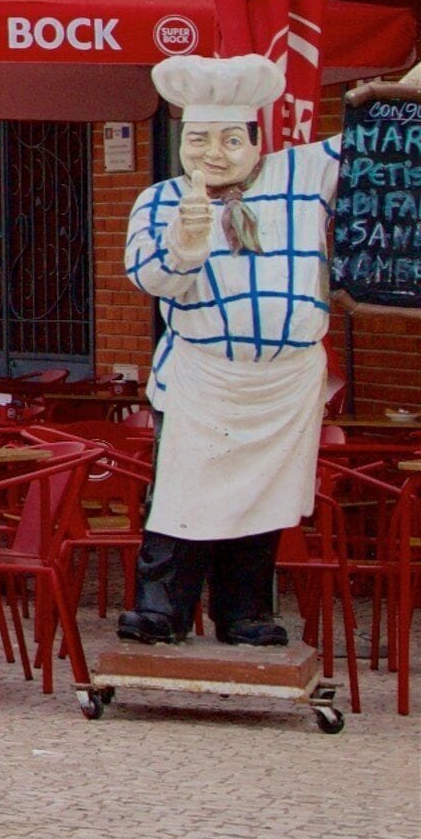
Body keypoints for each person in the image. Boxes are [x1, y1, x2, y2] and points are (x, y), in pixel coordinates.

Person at [120, 53, 345, 648]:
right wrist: (186, 244)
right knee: (181, 494)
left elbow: (376, 142)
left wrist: (400, 89)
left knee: (263, 499)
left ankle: (245, 612)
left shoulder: (301, 174)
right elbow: (148, 276)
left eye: (227, 139)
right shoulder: (161, 200)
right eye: (197, 140)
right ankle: (161, 609)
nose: (211, 153)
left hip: (285, 382)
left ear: (255, 139)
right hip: (204, 377)